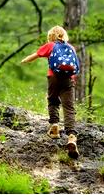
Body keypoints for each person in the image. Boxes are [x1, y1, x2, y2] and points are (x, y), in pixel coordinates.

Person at [21, 25, 79, 159]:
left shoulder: (50, 46)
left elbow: (35, 55)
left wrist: (25, 60)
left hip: (53, 77)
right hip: (68, 80)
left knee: (53, 100)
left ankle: (54, 127)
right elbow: (74, 66)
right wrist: (71, 81)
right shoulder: (71, 48)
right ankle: (71, 137)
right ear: (64, 35)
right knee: (69, 107)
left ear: (51, 36)